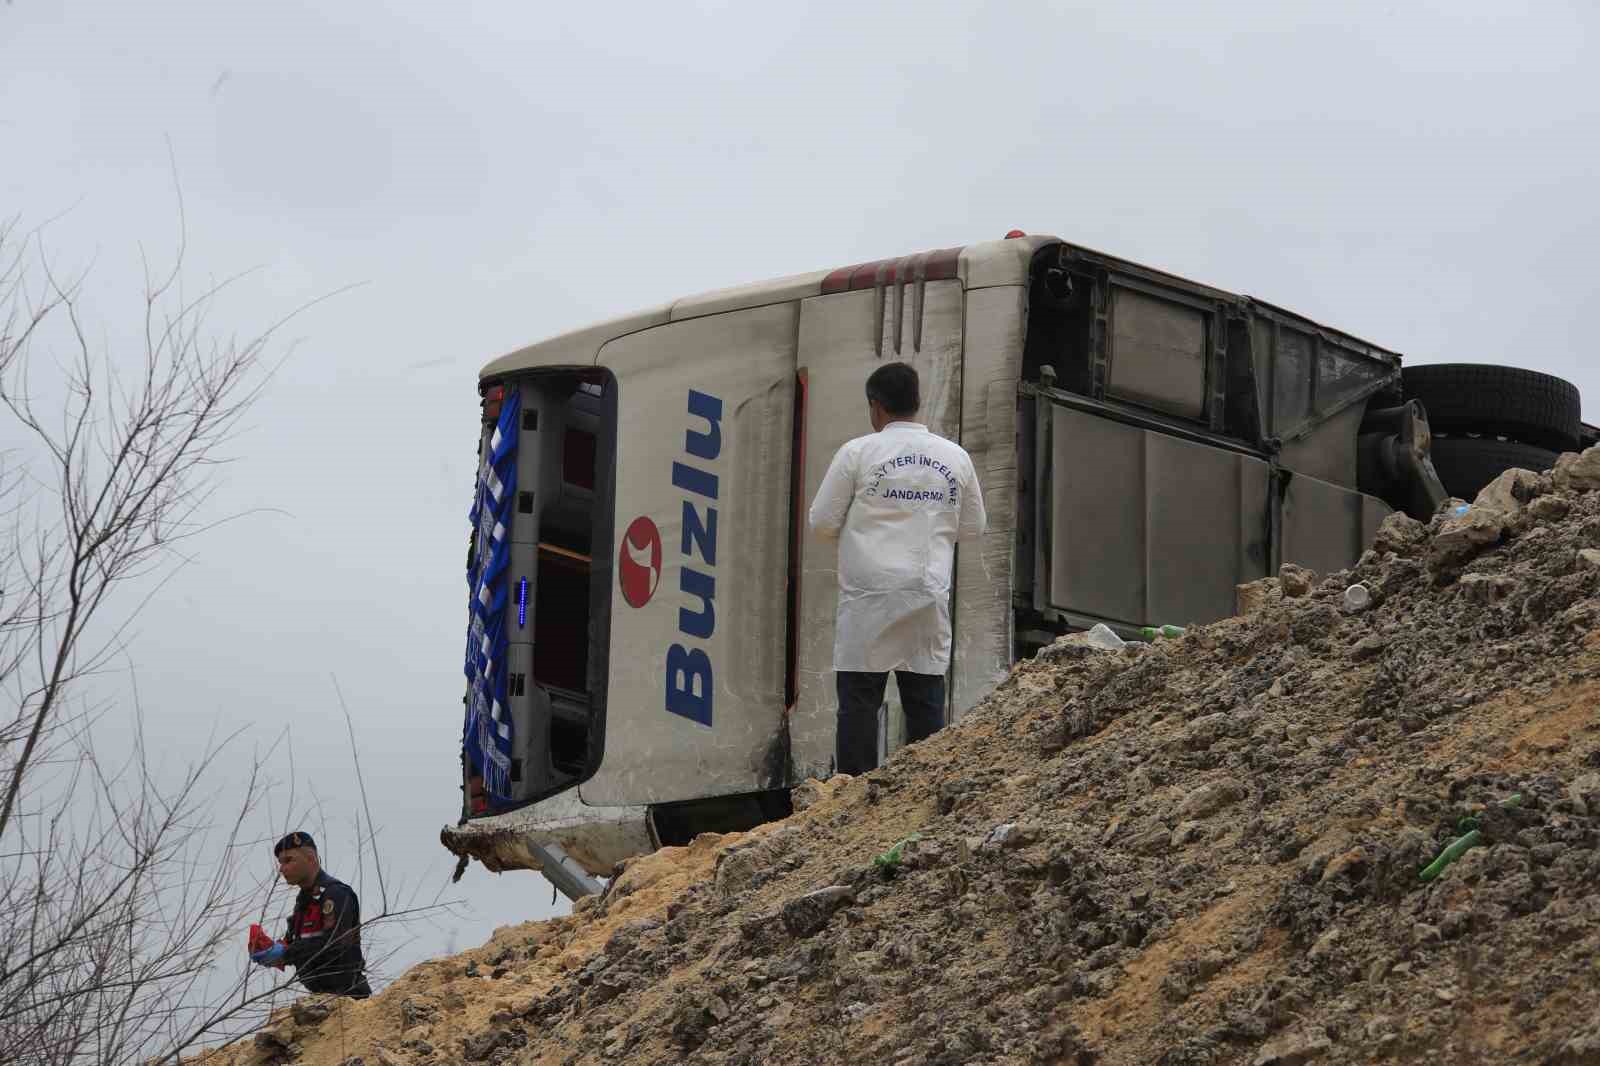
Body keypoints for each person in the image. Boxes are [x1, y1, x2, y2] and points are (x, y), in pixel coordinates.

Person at [808, 361, 987, 775]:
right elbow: (974, 527)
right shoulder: (954, 457)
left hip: (868, 594)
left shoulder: (858, 452)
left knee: (858, 702)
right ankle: (923, 791)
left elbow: (821, 522)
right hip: (926, 590)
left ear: (876, 406)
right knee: (925, 700)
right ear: (917, 403)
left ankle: (851, 794)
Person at [250, 832, 372, 998]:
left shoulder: (335, 894)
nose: (282, 869)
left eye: (288, 860)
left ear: (310, 858)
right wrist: (270, 949)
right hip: (321, 996)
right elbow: (295, 943)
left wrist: (285, 953)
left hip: (348, 996)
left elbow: (334, 944)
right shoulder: (304, 900)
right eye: (280, 863)